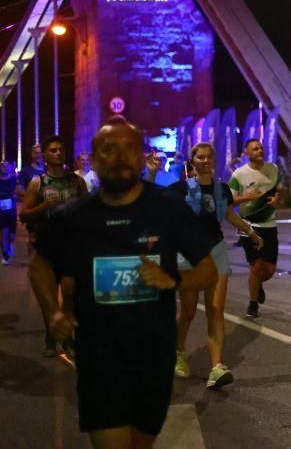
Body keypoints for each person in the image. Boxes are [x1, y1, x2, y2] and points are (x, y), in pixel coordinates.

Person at [28, 116, 217, 448]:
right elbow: (39, 266)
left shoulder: (168, 209)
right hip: (99, 355)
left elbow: (208, 270)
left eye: (129, 148)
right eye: (108, 149)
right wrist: (53, 313)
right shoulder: (73, 217)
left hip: (154, 353)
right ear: (94, 159)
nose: (119, 157)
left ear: (142, 156)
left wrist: (172, 280)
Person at [148, 142, 264, 389]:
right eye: (199, 157)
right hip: (189, 255)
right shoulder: (181, 189)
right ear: (192, 161)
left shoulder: (222, 189)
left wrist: (250, 232)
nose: (204, 160)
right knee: (188, 311)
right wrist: (150, 173)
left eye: (208, 157)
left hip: (216, 251)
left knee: (216, 309)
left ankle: (217, 367)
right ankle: (178, 353)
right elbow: (151, 201)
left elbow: (229, 215)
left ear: (213, 160)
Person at [21, 135, 89, 357]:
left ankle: (67, 338)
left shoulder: (77, 181)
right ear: (45, 155)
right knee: (48, 298)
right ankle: (51, 336)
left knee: (69, 294)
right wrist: (43, 207)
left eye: (61, 149)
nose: (58, 153)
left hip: (71, 247)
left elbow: (89, 209)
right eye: (53, 150)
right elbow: (24, 215)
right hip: (46, 247)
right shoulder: (38, 182)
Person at [228, 138, 284, 318]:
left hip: (270, 225)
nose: (260, 151)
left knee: (269, 270)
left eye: (261, 148)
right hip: (249, 226)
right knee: (256, 266)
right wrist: (247, 197)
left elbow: (281, 195)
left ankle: (258, 283)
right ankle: (253, 304)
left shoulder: (273, 169)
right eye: (255, 149)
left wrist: (277, 201)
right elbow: (229, 200)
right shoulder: (239, 174)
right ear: (247, 153)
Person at [0, 161, 17, 264]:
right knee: (4, 233)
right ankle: (5, 256)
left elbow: (19, 190)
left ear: (10, 168)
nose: (4, 167)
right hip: (1, 213)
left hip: (12, 212)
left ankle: (10, 244)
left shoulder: (14, 178)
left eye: (7, 165)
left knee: (12, 236)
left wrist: (16, 195)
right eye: (2, 165)